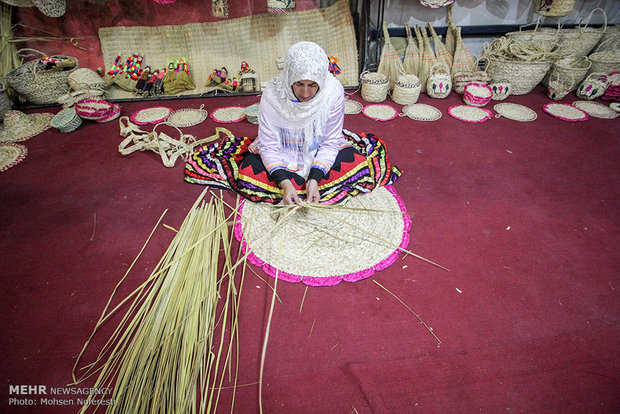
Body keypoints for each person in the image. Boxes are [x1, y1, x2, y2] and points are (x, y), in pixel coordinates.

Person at [185, 41, 400, 205]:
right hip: (282, 149)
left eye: (312, 85)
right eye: (299, 84)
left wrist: (314, 178)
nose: (305, 93)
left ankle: (312, 182)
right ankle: (289, 184)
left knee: (356, 163)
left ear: (321, 81)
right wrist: (284, 182)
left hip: (316, 149)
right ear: (289, 77)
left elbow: (331, 142)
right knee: (249, 175)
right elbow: (268, 146)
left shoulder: (332, 92)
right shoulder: (272, 95)